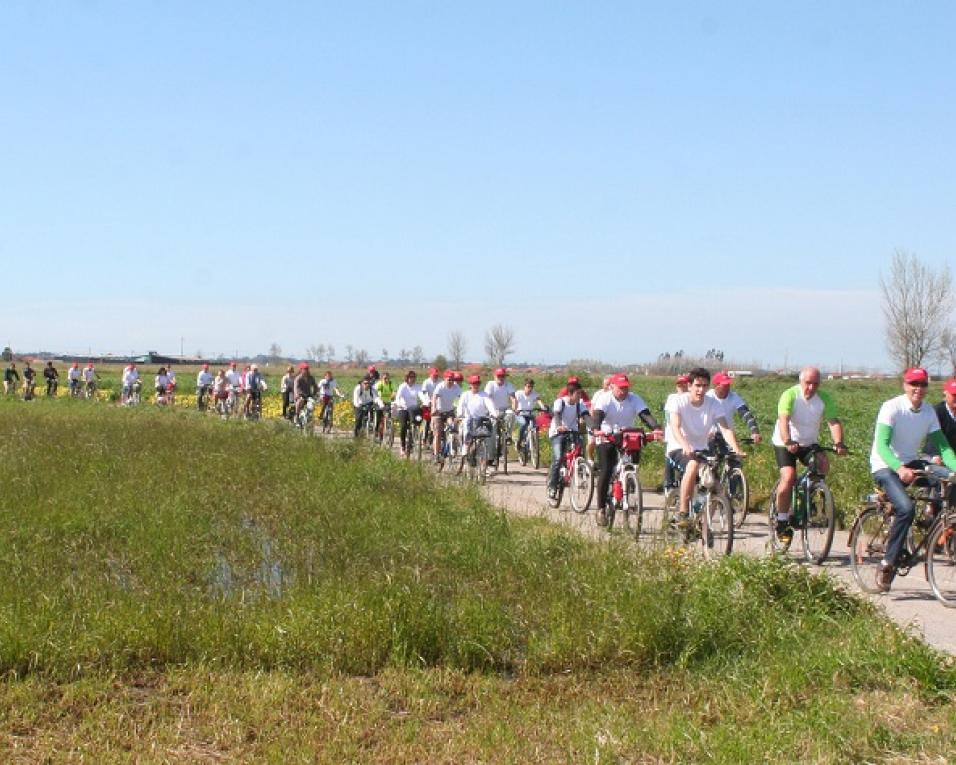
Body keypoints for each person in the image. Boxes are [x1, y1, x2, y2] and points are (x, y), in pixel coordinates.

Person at [870, 367, 956, 592]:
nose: (918, 389)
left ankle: (934, 523)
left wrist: (954, 468)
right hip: (885, 465)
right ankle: (887, 563)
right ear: (904, 385)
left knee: (946, 478)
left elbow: (943, 446)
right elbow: (882, 444)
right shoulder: (892, 407)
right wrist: (898, 468)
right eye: (913, 384)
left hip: (911, 462)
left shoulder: (928, 412)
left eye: (923, 384)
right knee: (906, 508)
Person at [771, 366, 848, 546]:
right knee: (789, 477)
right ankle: (782, 520)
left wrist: (838, 443)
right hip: (785, 442)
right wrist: (788, 440)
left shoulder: (824, 398)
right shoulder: (790, 395)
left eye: (815, 384)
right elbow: (784, 421)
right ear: (800, 381)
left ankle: (807, 495)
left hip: (808, 442)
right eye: (808, 383)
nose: (811, 387)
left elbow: (833, 422)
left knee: (822, 465)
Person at [665, 367, 743, 527]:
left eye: (705, 386)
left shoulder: (713, 404)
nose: (701, 390)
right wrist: (685, 445)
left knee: (717, 487)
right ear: (689, 386)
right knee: (692, 466)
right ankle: (683, 514)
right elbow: (675, 426)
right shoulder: (678, 401)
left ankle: (703, 524)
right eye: (697, 386)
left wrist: (735, 448)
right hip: (679, 447)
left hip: (702, 448)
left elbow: (725, 427)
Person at [591, 373, 664, 526]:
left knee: (633, 465)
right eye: (620, 388)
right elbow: (598, 415)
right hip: (607, 435)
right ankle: (601, 509)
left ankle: (629, 484)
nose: (623, 391)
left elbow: (645, 415)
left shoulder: (634, 399)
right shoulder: (605, 399)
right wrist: (597, 429)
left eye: (626, 388)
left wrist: (656, 428)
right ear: (612, 387)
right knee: (605, 470)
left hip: (627, 436)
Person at [547, 381, 585, 498]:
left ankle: (577, 472)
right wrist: (559, 426)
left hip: (572, 431)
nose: (580, 396)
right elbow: (557, 414)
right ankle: (552, 486)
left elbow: (586, 415)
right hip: (557, 433)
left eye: (580, 394)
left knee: (579, 452)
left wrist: (593, 427)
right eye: (577, 394)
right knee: (558, 458)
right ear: (570, 393)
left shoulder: (579, 404)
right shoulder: (561, 402)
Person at [706, 372, 762, 446]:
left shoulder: (734, 396)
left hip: (728, 435)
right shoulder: (708, 397)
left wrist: (755, 432)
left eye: (728, 384)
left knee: (736, 456)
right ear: (716, 385)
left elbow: (746, 413)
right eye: (724, 385)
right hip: (709, 436)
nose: (727, 388)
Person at [457, 374, 499, 460]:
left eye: (477, 383)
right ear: (470, 384)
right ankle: (465, 449)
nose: (475, 385)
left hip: (481, 419)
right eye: (473, 383)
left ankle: (484, 458)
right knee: (465, 431)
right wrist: (459, 414)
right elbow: (460, 406)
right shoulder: (465, 395)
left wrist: (494, 414)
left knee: (485, 436)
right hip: (468, 418)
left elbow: (490, 404)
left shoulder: (484, 395)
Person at [928, 378, 956, 505]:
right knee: (941, 478)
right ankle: (932, 509)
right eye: (954, 395)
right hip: (936, 452)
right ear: (946, 394)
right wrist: (936, 455)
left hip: (952, 456)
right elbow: (932, 437)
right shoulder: (937, 412)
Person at [484, 368, 517, 467]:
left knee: (511, 415)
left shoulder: (508, 385)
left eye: (503, 376)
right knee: (491, 433)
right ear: (495, 376)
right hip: (493, 410)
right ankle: (490, 457)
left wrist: (514, 407)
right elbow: (487, 398)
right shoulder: (490, 385)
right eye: (499, 376)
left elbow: (513, 398)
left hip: (504, 409)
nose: (501, 378)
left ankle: (507, 435)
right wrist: (493, 411)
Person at [663, 374, 690, 489]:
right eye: (679, 384)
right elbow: (669, 417)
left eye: (684, 384)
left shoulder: (691, 397)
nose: (681, 387)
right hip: (674, 433)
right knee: (669, 458)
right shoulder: (672, 398)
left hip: (689, 435)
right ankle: (669, 485)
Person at [431, 369, 461, 457]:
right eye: (449, 379)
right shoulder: (440, 386)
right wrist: (434, 408)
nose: (451, 381)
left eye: (452, 379)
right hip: (438, 412)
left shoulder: (456, 387)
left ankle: (452, 447)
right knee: (437, 434)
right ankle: (436, 454)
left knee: (453, 427)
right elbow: (434, 397)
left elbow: (461, 398)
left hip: (449, 412)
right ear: (444, 379)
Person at [394, 370, 424, 456]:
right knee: (403, 426)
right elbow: (398, 397)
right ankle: (402, 445)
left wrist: (426, 402)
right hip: (403, 408)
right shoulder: (403, 386)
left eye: (414, 377)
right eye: (410, 377)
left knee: (415, 424)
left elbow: (421, 395)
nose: (412, 379)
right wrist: (399, 404)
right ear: (407, 378)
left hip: (413, 409)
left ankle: (412, 440)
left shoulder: (418, 386)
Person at [514, 378, 545, 455]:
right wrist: (515, 409)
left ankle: (533, 443)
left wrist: (543, 407)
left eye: (531, 387)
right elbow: (515, 402)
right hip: (520, 414)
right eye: (528, 386)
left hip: (530, 414)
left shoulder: (534, 393)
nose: (530, 388)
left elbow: (539, 400)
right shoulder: (519, 393)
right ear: (524, 386)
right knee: (524, 424)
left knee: (536, 427)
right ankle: (519, 441)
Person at [373, 371, 395, 440]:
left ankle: (389, 427)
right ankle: (376, 430)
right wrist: (380, 399)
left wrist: (393, 395)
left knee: (388, 415)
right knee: (379, 417)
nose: (386, 380)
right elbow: (377, 392)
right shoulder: (380, 384)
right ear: (382, 378)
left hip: (388, 402)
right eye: (385, 378)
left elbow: (394, 391)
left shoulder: (391, 384)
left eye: (388, 378)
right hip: (379, 402)